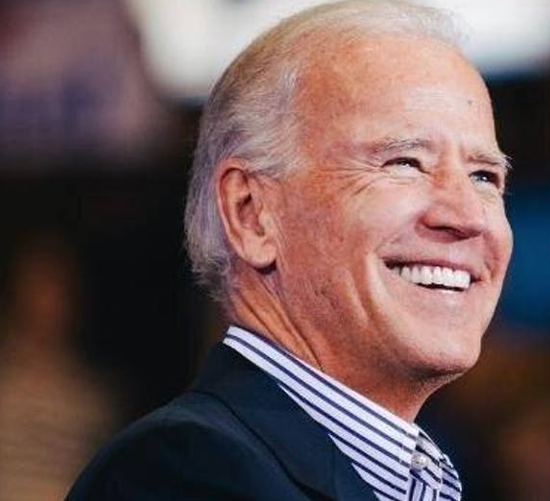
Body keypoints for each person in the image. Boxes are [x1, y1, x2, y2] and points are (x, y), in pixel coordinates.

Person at [66, 1, 512, 500]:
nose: (467, 216)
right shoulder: (182, 473)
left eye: (484, 176)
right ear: (252, 214)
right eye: (404, 162)